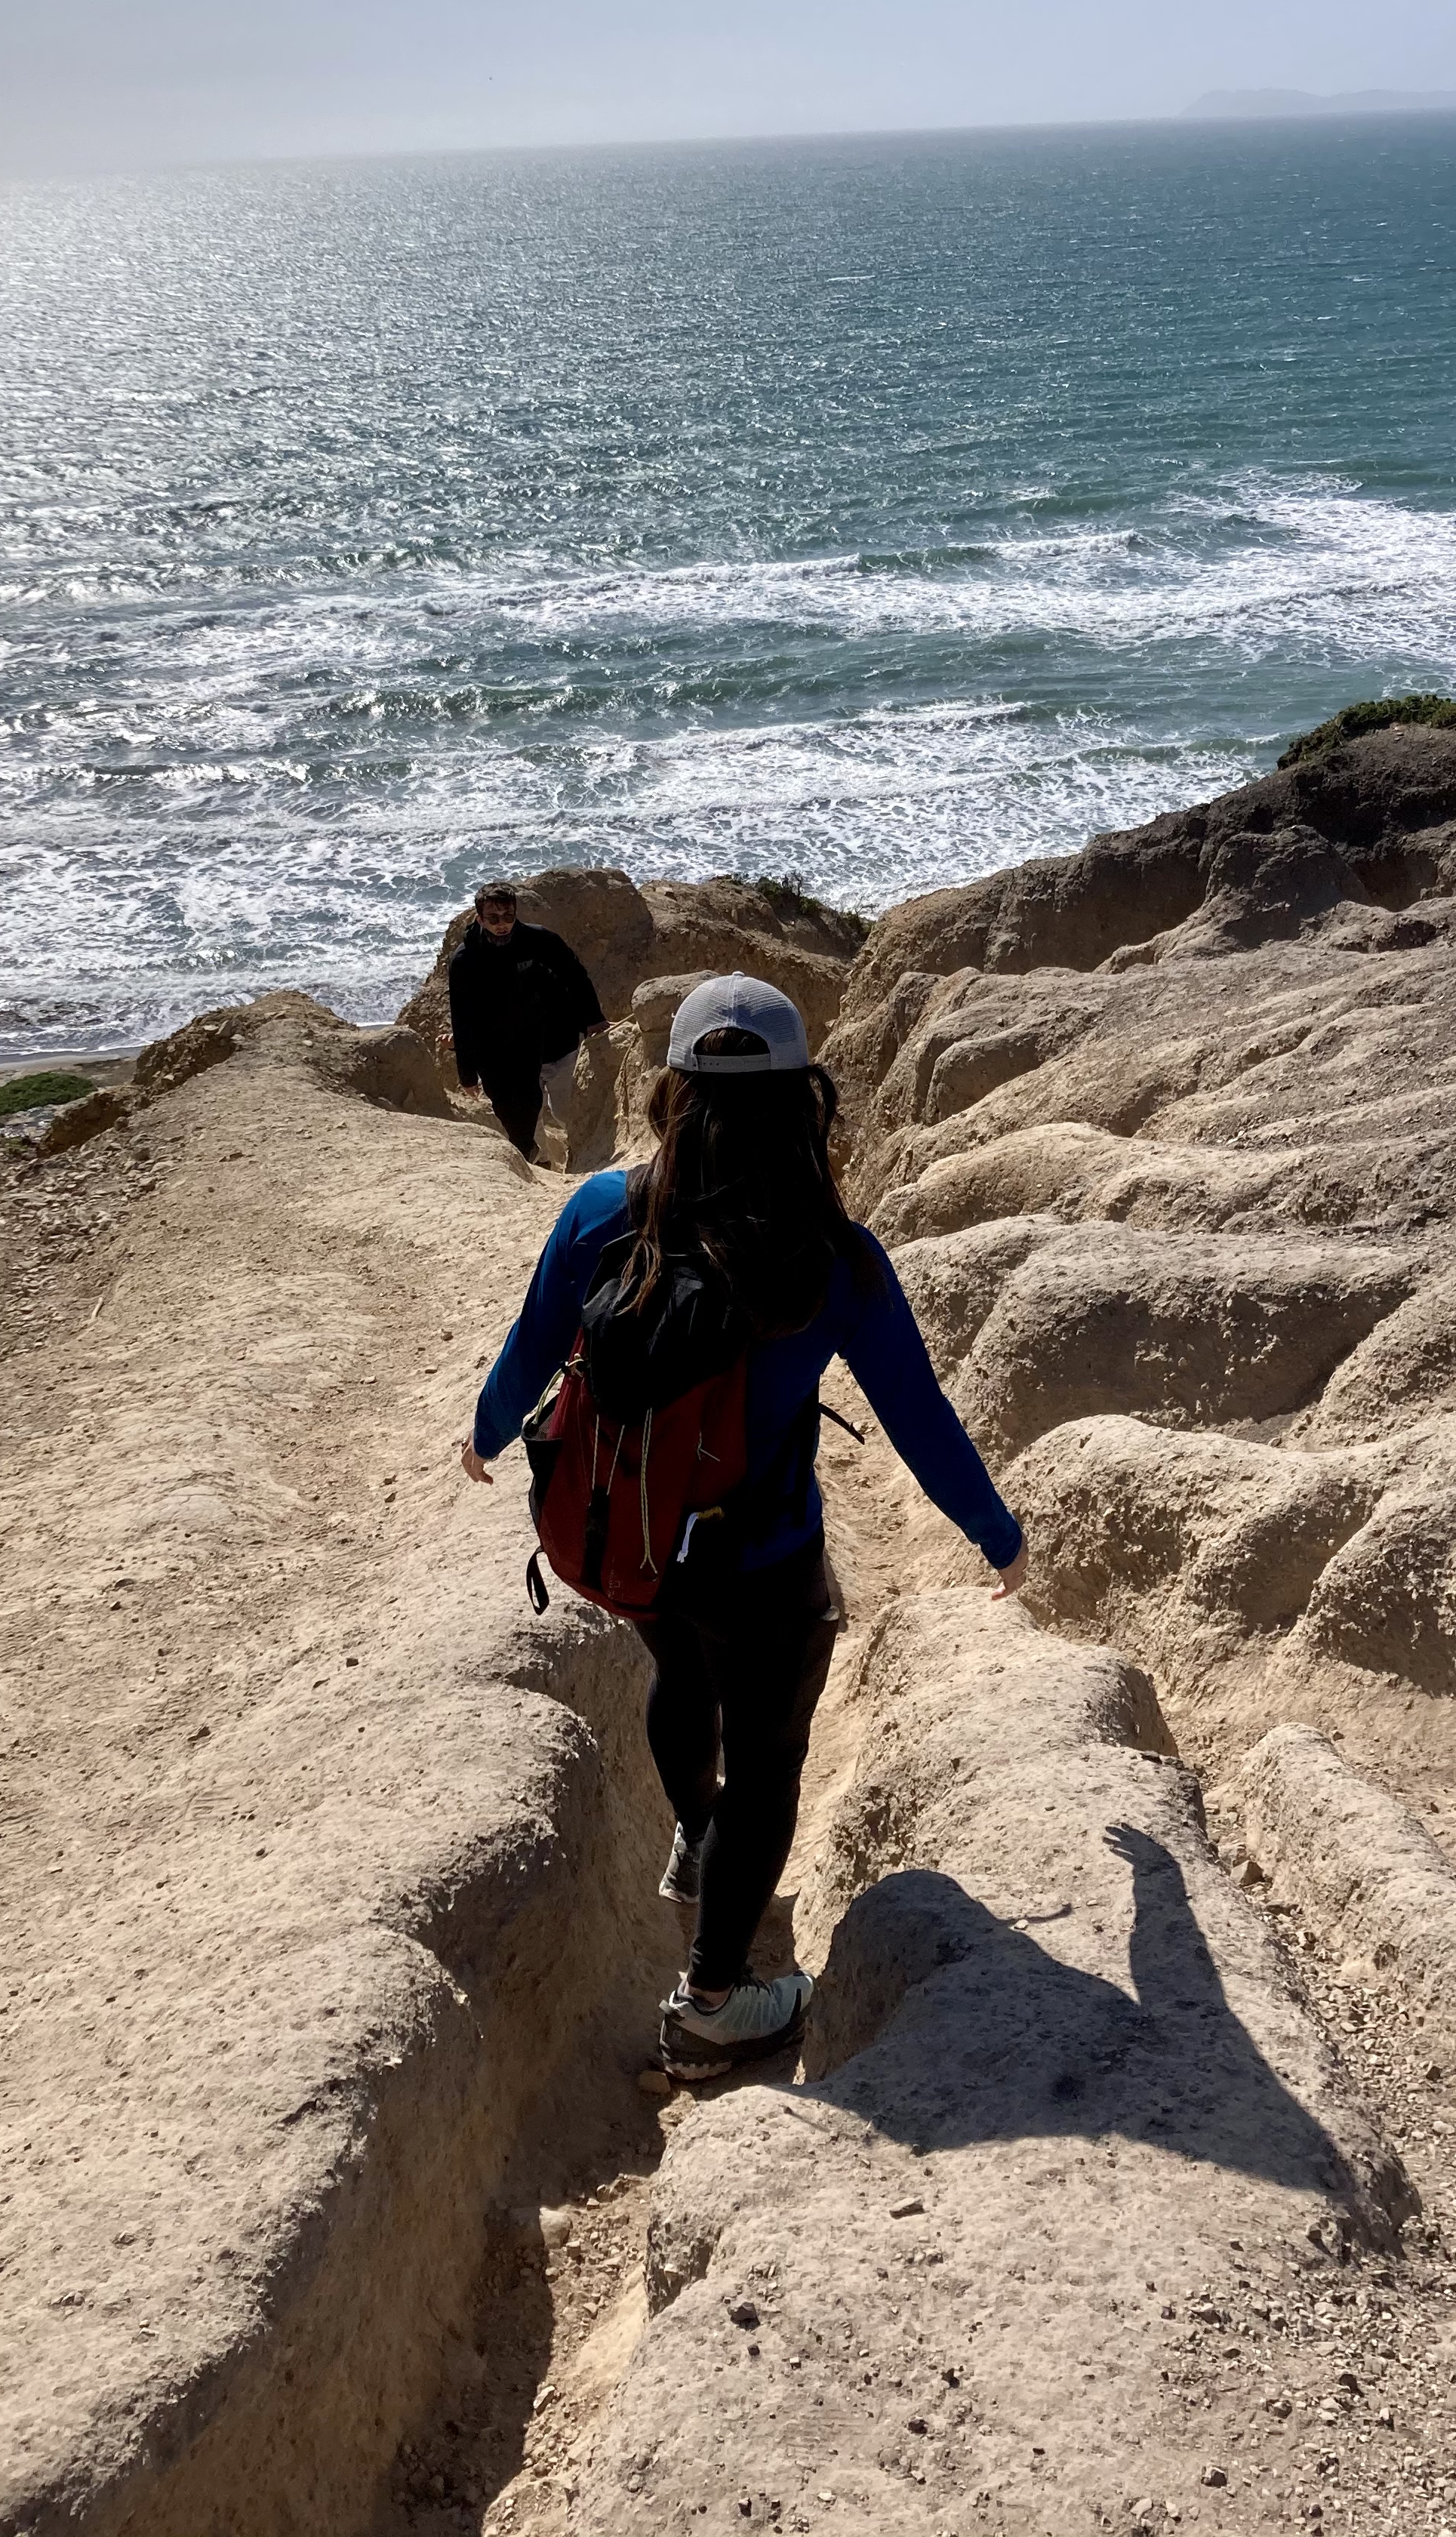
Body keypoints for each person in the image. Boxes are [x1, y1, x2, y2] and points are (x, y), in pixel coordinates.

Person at [460, 971, 1026, 2080]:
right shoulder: (833, 1256)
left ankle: (693, 1841)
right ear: (800, 1101)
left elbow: (532, 1350)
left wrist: (483, 1432)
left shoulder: (602, 1212)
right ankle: (715, 2000)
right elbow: (916, 1414)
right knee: (768, 1763)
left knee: (679, 1669)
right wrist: (997, 1534)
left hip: (641, 1547)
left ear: (674, 1091)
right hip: (765, 1559)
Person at [445, 881, 608, 1164]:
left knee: (566, 1112)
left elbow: (576, 977)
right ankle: (540, 1164)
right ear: (479, 918)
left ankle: (583, 1159)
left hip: (558, 1044)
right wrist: (467, 1073)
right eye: (493, 919)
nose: (502, 925)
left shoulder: (541, 941)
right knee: (522, 1120)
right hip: (506, 1056)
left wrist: (594, 1020)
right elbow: (463, 1017)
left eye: (508, 917)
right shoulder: (466, 960)